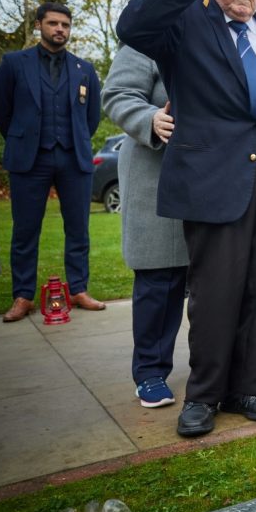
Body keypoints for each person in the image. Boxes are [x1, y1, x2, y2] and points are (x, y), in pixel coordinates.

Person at [117, 0, 256, 437]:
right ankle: (204, 396)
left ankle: (250, 389)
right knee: (215, 292)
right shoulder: (184, 25)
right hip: (213, 179)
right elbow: (133, 23)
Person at [0, 2, 106, 323]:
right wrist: (24, 137)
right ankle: (23, 295)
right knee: (25, 230)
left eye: (65, 25)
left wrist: (74, 140)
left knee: (78, 229)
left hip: (73, 158)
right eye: (53, 23)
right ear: (39, 25)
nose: (60, 30)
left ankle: (78, 289)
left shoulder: (85, 69)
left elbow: (91, 116)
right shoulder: (14, 63)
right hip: (31, 158)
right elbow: (2, 111)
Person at [101, 45, 188, 408]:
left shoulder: (219, 34)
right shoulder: (146, 38)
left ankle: (216, 369)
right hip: (158, 173)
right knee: (160, 278)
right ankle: (150, 372)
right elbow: (118, 94)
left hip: (214, 176)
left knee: (216, 281)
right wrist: (149, 118)